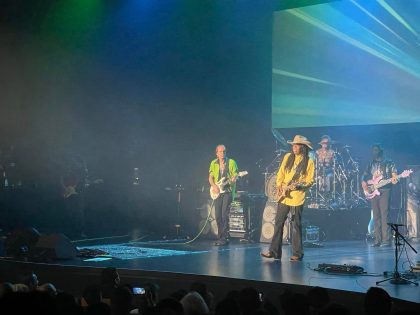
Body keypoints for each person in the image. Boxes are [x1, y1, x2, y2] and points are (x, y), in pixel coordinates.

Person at [261, 135, 315, 261]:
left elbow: (309, 180)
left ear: (303, 147)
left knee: (296, 225)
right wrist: (279, 185)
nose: (294, 147)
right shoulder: (287, 157)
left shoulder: (309, 162)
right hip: (284, 196)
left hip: (297, 197)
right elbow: (281, 173)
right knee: (278, 222)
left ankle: (297, 253)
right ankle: (274, 252)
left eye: (296, 145)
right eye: (293, 145)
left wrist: (300, 186)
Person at [361, 144, 398, 247]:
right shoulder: (371, 163)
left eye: (376, 150)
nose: (374, 152)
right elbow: (364, 175)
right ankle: (377, 240)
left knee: (384, 215)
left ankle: (386, 240)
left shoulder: (389, 162)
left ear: (381, 151)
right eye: (373, 150)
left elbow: (394, 174)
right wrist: (363, 182)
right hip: (374, 191)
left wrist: (395, 178)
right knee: (376, 216)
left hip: (385, 190)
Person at [209, 145, 238, 246]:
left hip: (228, 192)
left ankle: (224, 238)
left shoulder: (231, 162)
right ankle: (220, 237)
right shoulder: (213, 163)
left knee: (224, 214)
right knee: (217, 215)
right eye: (220, 152)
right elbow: (210, 178)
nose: (222, 154)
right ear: (216, 153)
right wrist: (214, 186)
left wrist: (234, 179)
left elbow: (235, 176)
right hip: (218, 192)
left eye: (224, 152)